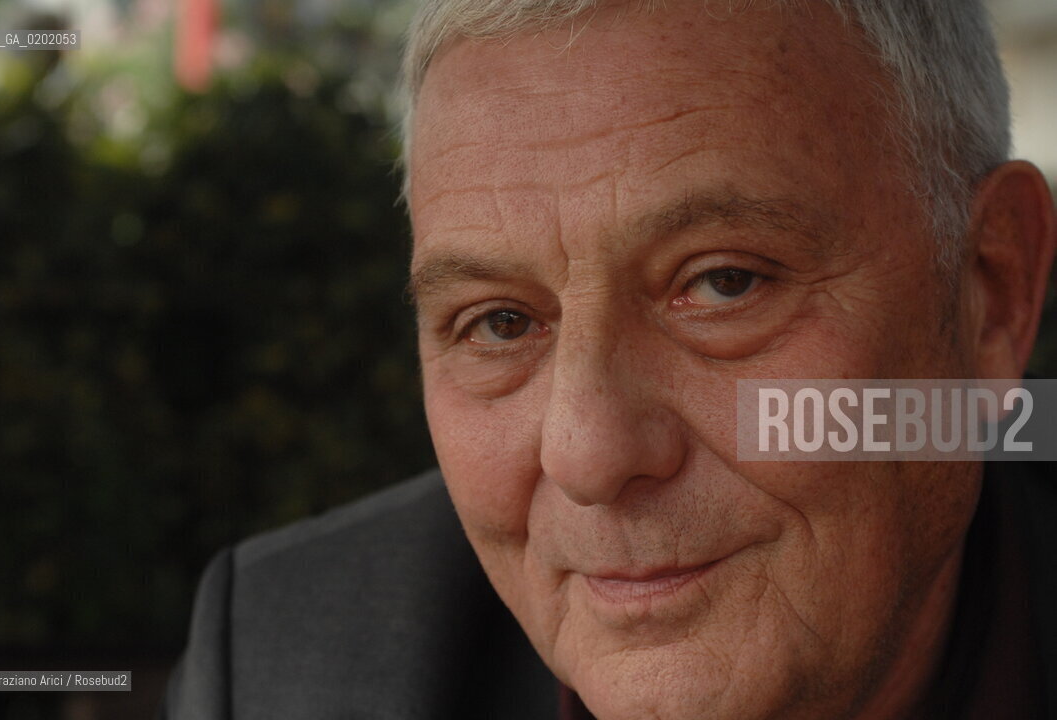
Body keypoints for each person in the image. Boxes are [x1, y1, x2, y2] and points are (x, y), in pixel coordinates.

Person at [160, 1, 1057, 718]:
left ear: (990, 292)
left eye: (724, 283)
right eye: (501, 324)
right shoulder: (295, 660)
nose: (588, 456)